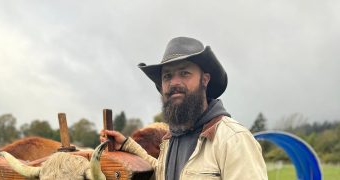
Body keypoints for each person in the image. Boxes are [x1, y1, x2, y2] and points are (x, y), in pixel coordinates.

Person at [100, 37, 268, 180]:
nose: (174, 83)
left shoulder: (233, 139)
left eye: (185, 73)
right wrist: (127, 145)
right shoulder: (172, 139)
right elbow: (162, 172)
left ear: (205, 79)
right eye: (167, 76)